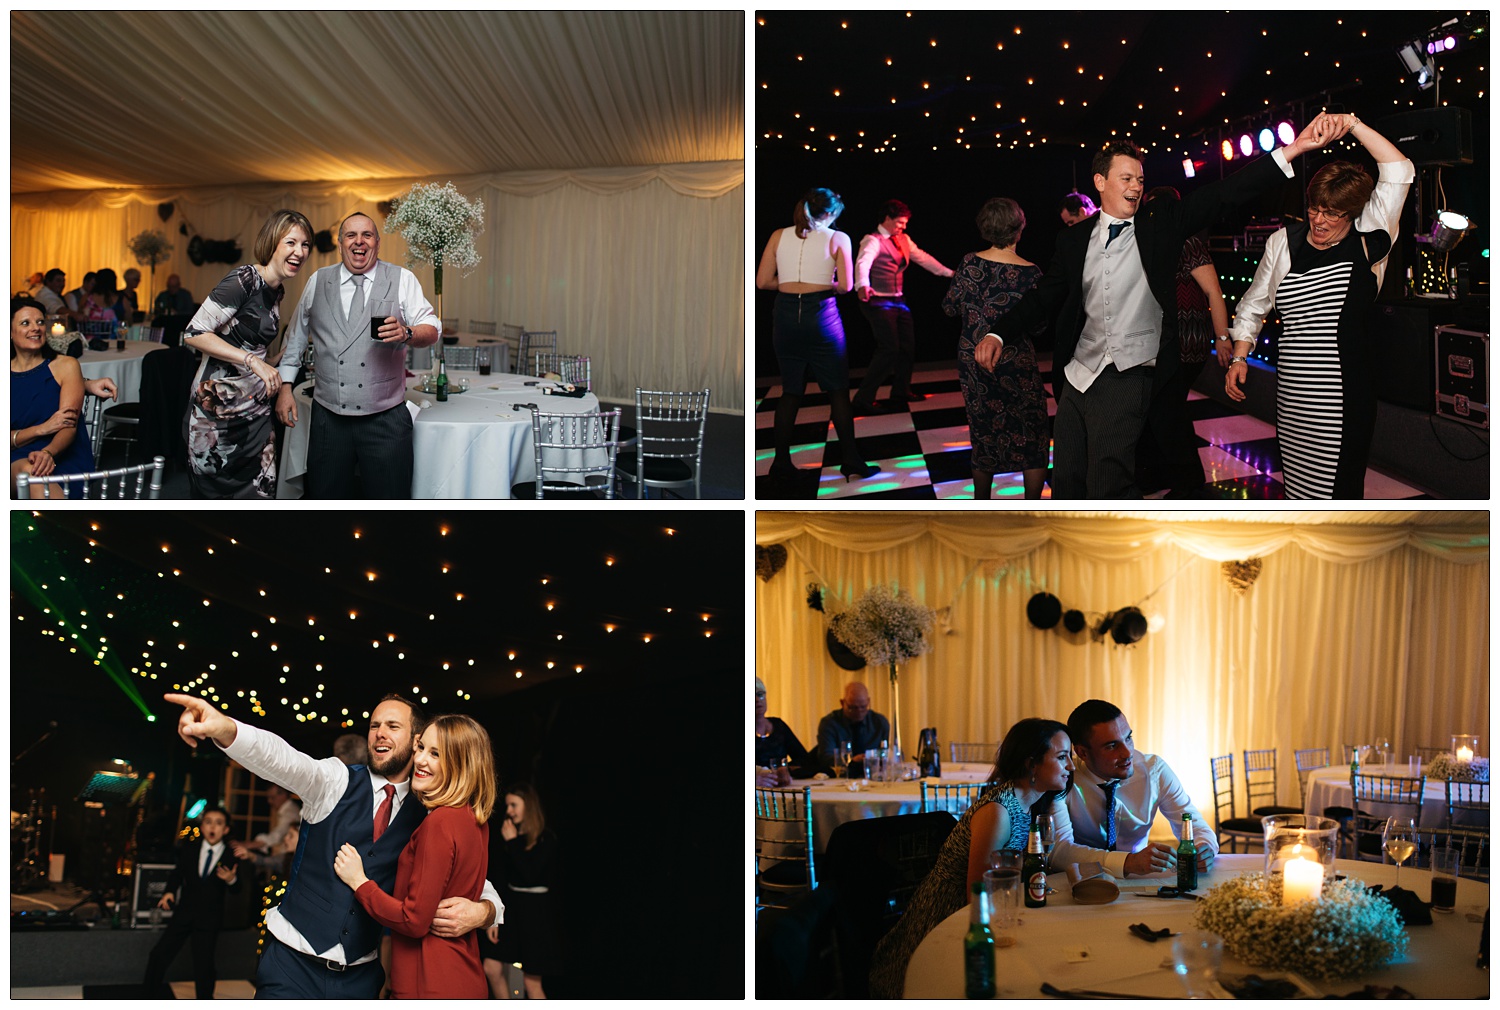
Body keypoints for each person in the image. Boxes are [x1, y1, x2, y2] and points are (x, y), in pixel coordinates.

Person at [981, 114, 1344, 498]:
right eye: (1127, 178)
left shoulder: (1160, 223)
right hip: (1076, 374)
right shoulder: (1072, 241)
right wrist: (998, 331)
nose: (1137, 186)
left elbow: (1224, 192)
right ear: (1100, 182)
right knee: (1069, 477)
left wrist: (1293, 150)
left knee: (1108, 479)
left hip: (1131, 371)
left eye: (1140, 179)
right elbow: (1045, 295)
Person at [162, 691, 502, 999]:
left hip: (360, 979)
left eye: (392, 726)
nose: (379, 732)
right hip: (291, 966)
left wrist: (486, 912)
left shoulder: (427, 809)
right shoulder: (336, 780)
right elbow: (284, 760)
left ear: (416, 741)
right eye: (374, 725)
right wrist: (226, 729)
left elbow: (467, 877)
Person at [1226, 114, 1413, 499]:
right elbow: (1254, 304)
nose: (1319, 220)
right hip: (1294, 393)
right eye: (1314, 208)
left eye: (1332, 213)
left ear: (1353, 213)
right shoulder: (1283, 243)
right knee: (1298, 489)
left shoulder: (1370, 237)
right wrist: (1239, 358)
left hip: (1343, 396)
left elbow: (1399, 169)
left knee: (1339, 493)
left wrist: (1354, 124)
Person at [869, 718, 1074, 998]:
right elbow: (976, 894)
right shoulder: (998, 812)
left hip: (995, 908)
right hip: (949, 916)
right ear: (1031, 763)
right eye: (1062, 757)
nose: (1071, 766)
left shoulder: (1033, 801)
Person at [276, 211, 441, 499]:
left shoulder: (402, 279)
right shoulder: (318, 281)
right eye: (351, 235)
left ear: (377, 243)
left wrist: (408, 333)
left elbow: (432, 328)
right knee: (325, 498)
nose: (359, 241)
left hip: (385, 418)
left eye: (367, 235)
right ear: (340, 243)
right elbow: (296, 340)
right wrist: (285, 387)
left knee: (390, 499)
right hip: (329, 418)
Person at [334, 714, 494, 999]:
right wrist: (487, 911)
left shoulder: (439, 823)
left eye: (436, 754)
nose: (420, 760)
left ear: (460, 763)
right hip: (463, 976)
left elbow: (413, 920)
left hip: (430, 980)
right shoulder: (474, 819)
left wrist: (360, 883)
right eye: (421, 748)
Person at [182, 209, 311, 499]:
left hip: (255, 413)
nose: (299, 252)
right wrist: (253, 361)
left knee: (260, 494)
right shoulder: (244, 279)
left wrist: (275, 361)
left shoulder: (276, 290)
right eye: (291, 242)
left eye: (305, 245)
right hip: (216, 415)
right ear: (272, 242)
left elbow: (246, 343)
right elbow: (194, 332)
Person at [754, 187, 878, 483]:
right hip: (821, 314)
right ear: (831, 213)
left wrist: (793, 284)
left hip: (784, 316)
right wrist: (826, 282)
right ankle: (850, 459)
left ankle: (780, 462)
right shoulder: (838, 237)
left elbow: (762, 282)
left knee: (790, 391)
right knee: (837, 391)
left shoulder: (778, 234)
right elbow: (847, 286)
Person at [942, 197, 1049, 499]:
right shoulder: (1032, 273)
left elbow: (949, 307)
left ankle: (982, 504)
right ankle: (1033, 506)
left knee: (983, 433)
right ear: (1019, 228)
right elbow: (1039, 327)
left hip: (973, 361)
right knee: (1033, 434)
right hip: (1017, 362)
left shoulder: (969, 263)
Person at [1134, 186, 1232, 497]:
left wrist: (1223, 338)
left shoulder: (1186, 239)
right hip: (1165, 340)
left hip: (1186, 340)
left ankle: (1189, 483)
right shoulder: (1148, 239)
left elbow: (1214, 292)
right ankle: (1162, 476)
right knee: (1160, 409)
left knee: (1167, 411)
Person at [1049, 699, 1217, 878]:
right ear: (1082, 753)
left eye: (1128, 738)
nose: (1127, 753)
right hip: (1080, 881)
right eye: (1112, 746)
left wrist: (1203, 846)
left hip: (1140, 880)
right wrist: (1127, 862)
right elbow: (1059, 851)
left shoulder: (1154, 771)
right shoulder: (1064, 778)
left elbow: (1197, 826)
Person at [851, 199, 954, 413]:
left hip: (898, 300)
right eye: (900, 223)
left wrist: (949, 273)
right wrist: (862, 285)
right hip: (877, 300)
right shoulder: (872, 240)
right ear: (887, 219)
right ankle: (862, 399)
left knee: (907, 347)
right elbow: (863, 263)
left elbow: (922, 258)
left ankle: (900, 391)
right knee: (888, 349)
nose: (903, 227)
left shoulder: (904, 239)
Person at [142, 807, 241, 999]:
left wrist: (231, 880)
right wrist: (169, 892)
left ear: (226, 830)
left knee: (204, 965)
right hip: (184, 913)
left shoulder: (231, 855)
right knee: (159, 954)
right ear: (202, 827)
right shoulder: (190, 848)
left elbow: (238, 890)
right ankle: (147, 997)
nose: (213, 827)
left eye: (219, 823)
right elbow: (177, 874)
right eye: (208, 822)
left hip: (209, 919)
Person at [482, 782, 562, 1000]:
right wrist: (494, 919)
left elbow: (531, 874)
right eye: (507, 806)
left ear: (528, 806)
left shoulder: (547, 839)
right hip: (512, 911)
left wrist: (514, 843)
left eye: (514, 805)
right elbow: (501, 880)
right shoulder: (511, 838)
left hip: (536, 917)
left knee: (531, 983)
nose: (509, 811)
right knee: (491, 966)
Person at [10, 296, 96, 498]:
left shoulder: (66, 365)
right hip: (13, 457)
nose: (36, 328)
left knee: (35, 471)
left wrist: (48, 452)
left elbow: (68, 426)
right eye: (25, 323)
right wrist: (41, 429)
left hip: (62, 452)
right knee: (30, 470)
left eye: (40, 322)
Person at [815, 681, 891, 775]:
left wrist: (874, 758)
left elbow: (892, 752)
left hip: (873, 775)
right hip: (840, 777)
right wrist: (851, 761)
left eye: (863, 707)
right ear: (842, 703)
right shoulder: (830, 723)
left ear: (868, 702)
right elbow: (825, 758)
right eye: (852, 708)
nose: (859, 711)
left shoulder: (879, 722)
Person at [754, 677, 820, 785]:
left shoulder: (778, 725)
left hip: (781, 787)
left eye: (760, 694)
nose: (757, 699)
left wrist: (785, 770)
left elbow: (803, 758)